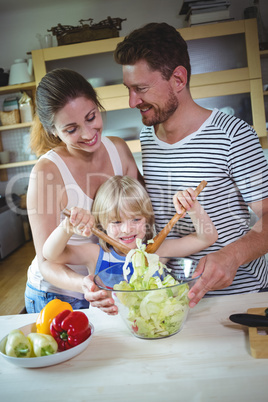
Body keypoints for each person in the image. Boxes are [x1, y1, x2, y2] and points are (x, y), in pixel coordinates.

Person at [112, 22, 268, 308]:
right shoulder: (148, 135)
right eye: (129, 89)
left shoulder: (233, 135)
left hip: (239, 297)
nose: (132, 101)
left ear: (178, 79)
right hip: (174, 297)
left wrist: (231, 256)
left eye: (141, 88)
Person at [25, 68, 141, 313]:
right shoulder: (47, 172)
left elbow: (142, 216)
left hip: (109, 288)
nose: (88, 134)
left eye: (91, 117)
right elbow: (46, 262)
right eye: (71, 129)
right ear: (53, 131)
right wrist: (85, 284)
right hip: (57, 295)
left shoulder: (118, 151)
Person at [42, 175, 218, 315]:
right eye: (117, 222)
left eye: (136, 219)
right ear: (102, 224)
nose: (127, 229)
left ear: (147, 219)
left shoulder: (157, 252)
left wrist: (193, 207)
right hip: (108, 334)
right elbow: (51, 255)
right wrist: (66, 228)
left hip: (152, 328)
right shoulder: (96, 254)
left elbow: (207, 238)